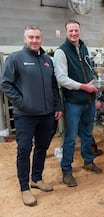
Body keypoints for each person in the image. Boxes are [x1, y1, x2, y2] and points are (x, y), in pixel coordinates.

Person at [0, 25, 63, 206]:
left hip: (46, 114)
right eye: (31, 37)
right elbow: (5, 84)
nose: (34, 40)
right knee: (24, 149)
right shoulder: (15, 59)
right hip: (25, 116)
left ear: (41, 39)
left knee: (42, 147)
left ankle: (36, 178)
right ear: (25, 38)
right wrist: (22, 103)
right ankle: (24, 187)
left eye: (37, 37)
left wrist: (57, 105)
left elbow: (53, 86)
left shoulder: (46, 60)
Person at [53, 19, 102, 187]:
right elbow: (61, 78)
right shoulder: (61, 51)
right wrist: (83, 87)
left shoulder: (84, 47)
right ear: (66, 32)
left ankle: (88, 161)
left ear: (79, 31)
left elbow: (90, 68)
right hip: (73, 102)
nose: (74, 33)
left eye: (76, 30)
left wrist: (102, 79)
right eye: (71, 31)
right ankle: (66, 170)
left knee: (88, 133)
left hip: (89, 100)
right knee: (71, 137)